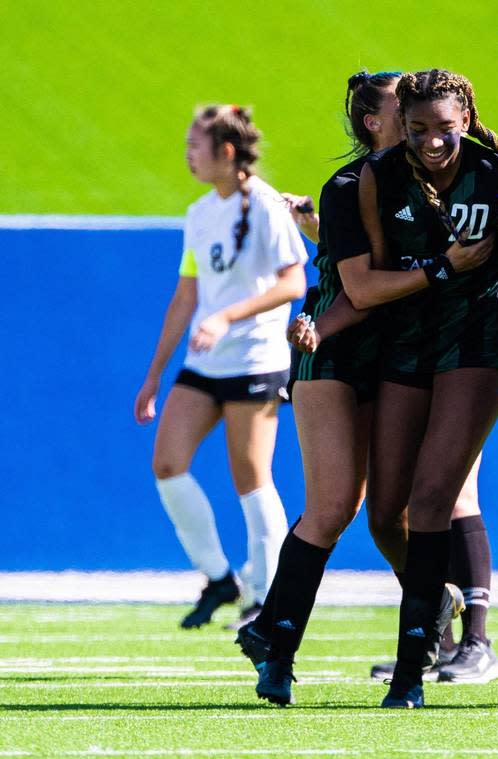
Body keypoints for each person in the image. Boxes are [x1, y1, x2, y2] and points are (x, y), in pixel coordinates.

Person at [300, 68, 498, 709]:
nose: (433, 142)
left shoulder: (497, 179)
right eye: (418, 130)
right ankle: (435, 634)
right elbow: (371, 277)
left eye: (444, 128)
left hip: (475, 347)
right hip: (403, 346)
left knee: (436, 497)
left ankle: (415, 673)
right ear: (396, 127)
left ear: (466, 117)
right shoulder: (378, 179)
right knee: (385, 513)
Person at [133, 105, 306, 631]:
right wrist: (154, 374)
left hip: (257, 360)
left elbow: (293, 283)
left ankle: (265, 600)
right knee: (167, 463)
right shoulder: (199, 213)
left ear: (226, 153)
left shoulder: (269, 208)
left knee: (251, 479)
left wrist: (227, 315)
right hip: (204, 364)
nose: (188, 154)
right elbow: (186, 296)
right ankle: (218, 577)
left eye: (195, 145)